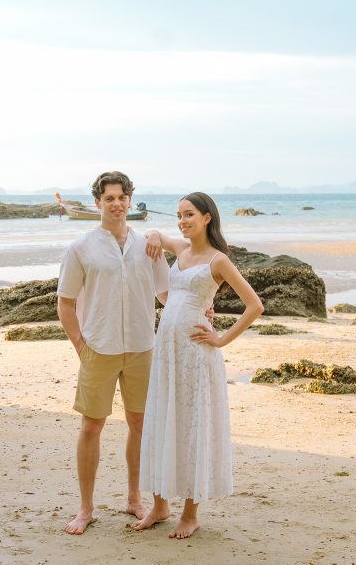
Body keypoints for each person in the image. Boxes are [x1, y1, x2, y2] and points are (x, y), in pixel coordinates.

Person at [132, 192, 264, 539]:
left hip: (195, 354)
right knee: (162, 420)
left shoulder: (217, 260)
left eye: (189, 214)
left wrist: (221, 339)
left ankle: (191, 513)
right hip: (167, 351)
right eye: (179, 215)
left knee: (192, 425)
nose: (182, 220)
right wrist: (153, 237)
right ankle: (160, 505)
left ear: (207, 217)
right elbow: (155, 237)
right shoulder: (182, 250)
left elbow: (254, 306)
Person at [56, 171, 170, 535]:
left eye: (122, 197)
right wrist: (80, 344)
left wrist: (201, 308)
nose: (117, 204)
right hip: (98, 348)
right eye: (109, 198)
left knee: (140, 425)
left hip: (141, 346)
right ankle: (86, 507)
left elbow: (167, 294)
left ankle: (134, 498)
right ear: (98, 203)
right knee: (92, 426)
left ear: (130, 200)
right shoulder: (81, 247)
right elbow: (65, 303)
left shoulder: (148, 246)